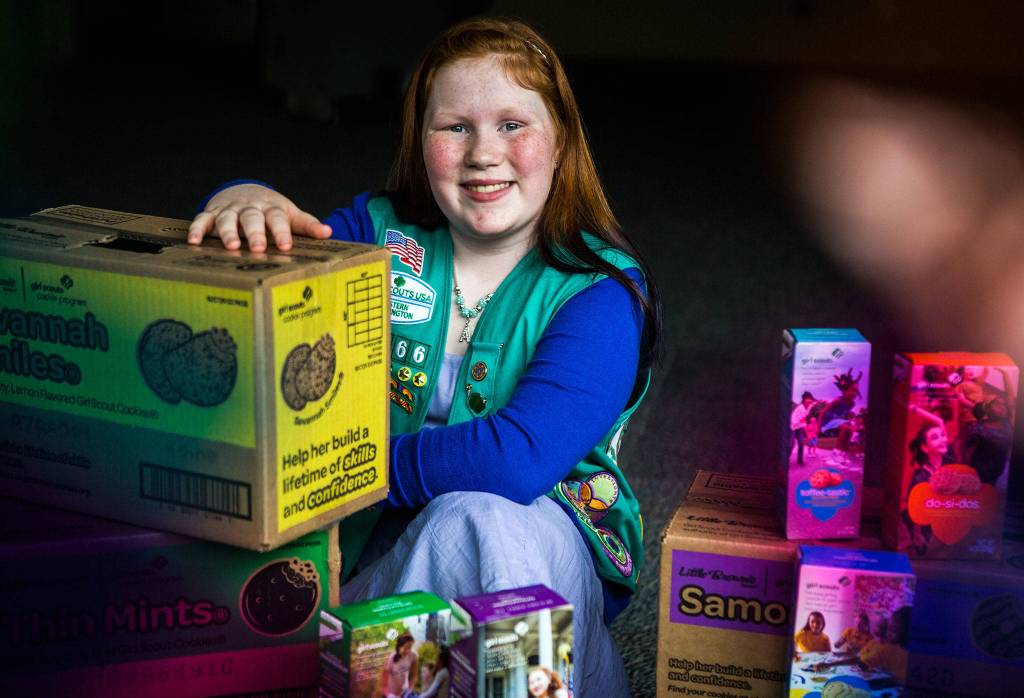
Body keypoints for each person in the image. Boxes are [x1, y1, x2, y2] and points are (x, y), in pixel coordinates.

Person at [187, 17, 659, 696]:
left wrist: (329, 473)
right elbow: (263, 260)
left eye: (511, 125)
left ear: (561, 144)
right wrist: (238, 198)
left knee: (482, 520)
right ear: (419, 143)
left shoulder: (600, 291)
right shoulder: (380, 235)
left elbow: (514, 458)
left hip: (533, 556)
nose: (482, 153)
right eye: (454, 127)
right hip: (376, 557)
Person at [815, 607, 912, 684]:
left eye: (893, 629)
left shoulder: (876, 642)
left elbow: (860, 660)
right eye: (856, 623)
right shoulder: (850, 632)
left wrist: (829, 664)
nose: (858, 626)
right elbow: (837, 645)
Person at [382, 633, 418, 698]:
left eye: (410, 647)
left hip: (404, 693)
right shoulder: (390, 659)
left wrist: (409, 690)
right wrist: (391, 696)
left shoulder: (413, 655)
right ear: (399, 646)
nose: (408, 651)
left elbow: (413, 676)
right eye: (405, 648)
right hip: (390, 694)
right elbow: (384, 686)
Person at [790, 391, 816, 465]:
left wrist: (818, 401)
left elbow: (813, 403)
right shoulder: (801, 409)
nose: (809, 401)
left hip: (800, 426)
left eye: (810, 399)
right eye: (807, 399)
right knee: (791, 443)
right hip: (793, 425)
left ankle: (800, 460)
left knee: (801, 443)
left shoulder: (809, 406)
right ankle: (784, 460)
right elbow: (802, 422)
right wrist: (807, 434)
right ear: (803, 400)